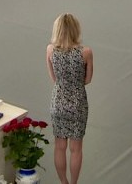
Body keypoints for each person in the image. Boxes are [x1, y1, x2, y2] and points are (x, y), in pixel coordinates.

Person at [47, 13, 93, 184]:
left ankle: (63, 182)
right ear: (76, 29)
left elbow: (53, 78)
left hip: (58, 102)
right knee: (76, 149)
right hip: (78, 103)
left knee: (59, 146)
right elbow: (87, 80)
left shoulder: (50, 50)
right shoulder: (86, 52)